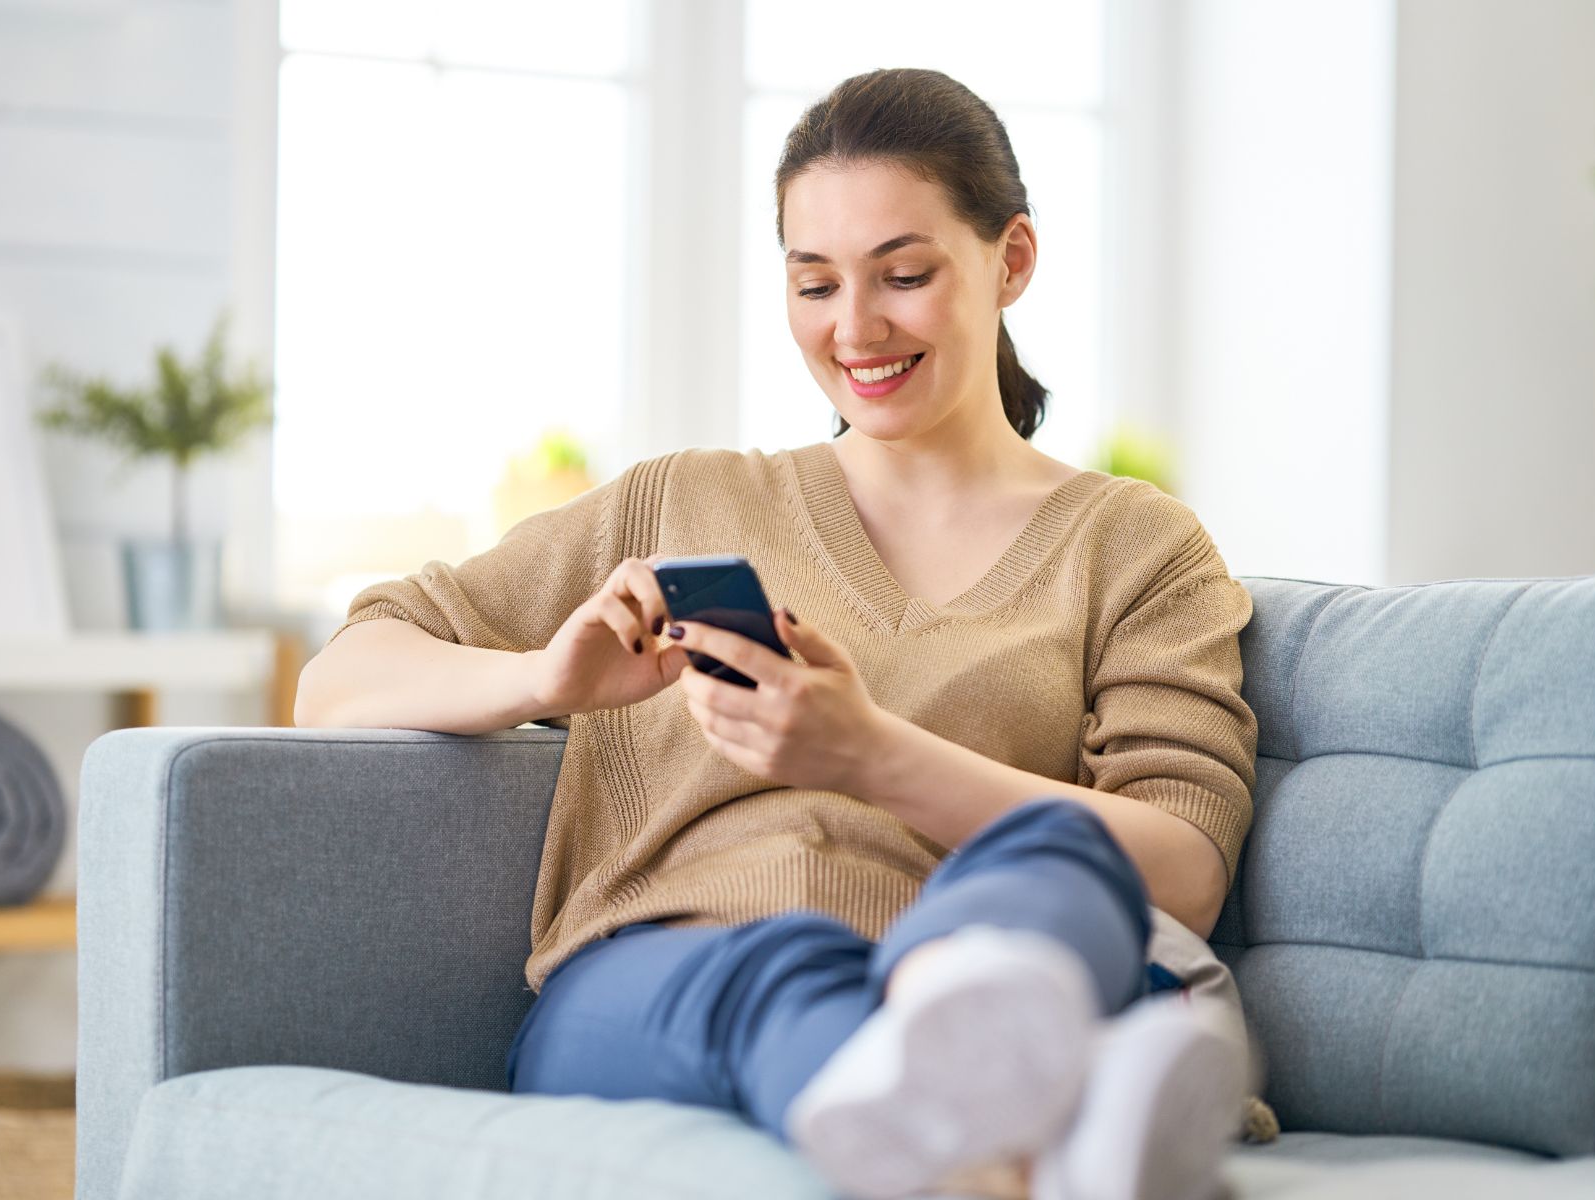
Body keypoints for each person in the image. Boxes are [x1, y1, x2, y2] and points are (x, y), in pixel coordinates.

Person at [296, 67, 1259, 1200]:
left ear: (1012, 261)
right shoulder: (681, 502)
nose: (856, 329)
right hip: (665, 975)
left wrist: (867, 754)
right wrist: (543, 673)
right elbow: (338, 678)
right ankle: (1032, 1139)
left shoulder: (1138, 546)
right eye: (815, 284)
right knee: (784, 969)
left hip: (946, 948)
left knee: (1054, 856)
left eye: (904, 276)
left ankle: (971, 1084)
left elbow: (1184, 868)